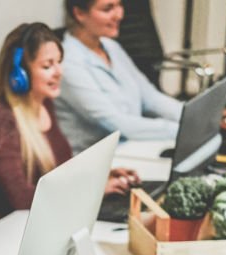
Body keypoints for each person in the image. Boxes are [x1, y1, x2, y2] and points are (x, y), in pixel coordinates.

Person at [0, 22, 140, 224]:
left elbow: (59, 175)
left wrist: (100, 176)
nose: (59, 71)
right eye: (47, 65)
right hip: (8, 235)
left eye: (59, 62)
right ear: (19, 75)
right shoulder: (1, 121)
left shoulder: (45, 105)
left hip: (48, 222)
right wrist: (91, 189)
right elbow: (22, 200)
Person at [55, 0, 184, 152]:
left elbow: (151, 98)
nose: (119, 15)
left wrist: (192, 116)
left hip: (133, 148)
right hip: (97, 162)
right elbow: (118, 123)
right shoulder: (69, 62)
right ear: (80, 13)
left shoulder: (111, 46)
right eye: (108, 9)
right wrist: (182, 129)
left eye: (119, 5)